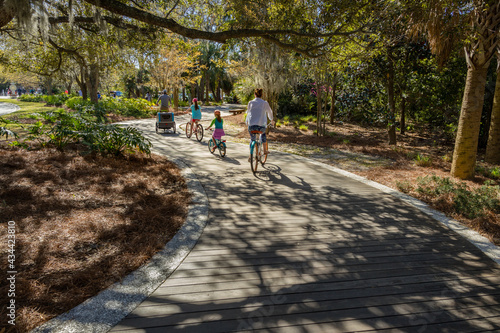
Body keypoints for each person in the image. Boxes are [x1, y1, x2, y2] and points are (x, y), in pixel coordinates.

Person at [246, 88, 274, 160]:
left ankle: (250, 155)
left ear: (254, 95)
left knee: (252, 139)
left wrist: (247, 122)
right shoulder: (265, 103)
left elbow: (248, 113)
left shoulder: (250, 102)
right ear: (262, 95)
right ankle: (264, 150)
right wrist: (272, 120)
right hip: (261, 126)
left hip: (251, 126)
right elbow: (269, 112)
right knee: (263, 134)